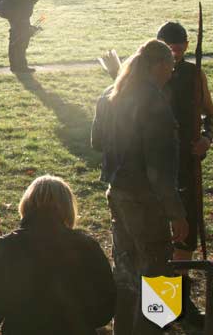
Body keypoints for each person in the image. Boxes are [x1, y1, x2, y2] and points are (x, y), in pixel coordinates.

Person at [91, 39, 188, 335]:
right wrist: (177, 214)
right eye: (170, 67)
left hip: (117, 194)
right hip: (147, 200)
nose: (171, 73)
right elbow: (160, 170)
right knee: (158, 269)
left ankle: (124, 329)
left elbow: (97, 142)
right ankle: (156, 329)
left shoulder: (111, 94)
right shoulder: (155, 103)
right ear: (158, 66)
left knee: (125, 269)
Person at [0, 175, 116, 334]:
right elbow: (104, 311)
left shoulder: (5, 248)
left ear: (25, 206)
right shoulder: (87, 246)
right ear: (68, 208)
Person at [156, 21, 213, 326]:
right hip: (155, 169)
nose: (175, 57)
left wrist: (206, 138)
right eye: (169, 51)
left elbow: (210, 115)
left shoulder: (194, 76)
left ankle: (180, 304)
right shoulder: (142, 76)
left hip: (187, 169)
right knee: (158, 238)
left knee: (185, 237)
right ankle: (160, 310)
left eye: (180, 50)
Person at [1, 0, 48, 73]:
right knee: (22, 44)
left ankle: (14, 67)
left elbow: (24, 2)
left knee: (13, 42)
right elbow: (30, 2)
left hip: (13, 19)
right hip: (22, 20)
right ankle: (22, 67)